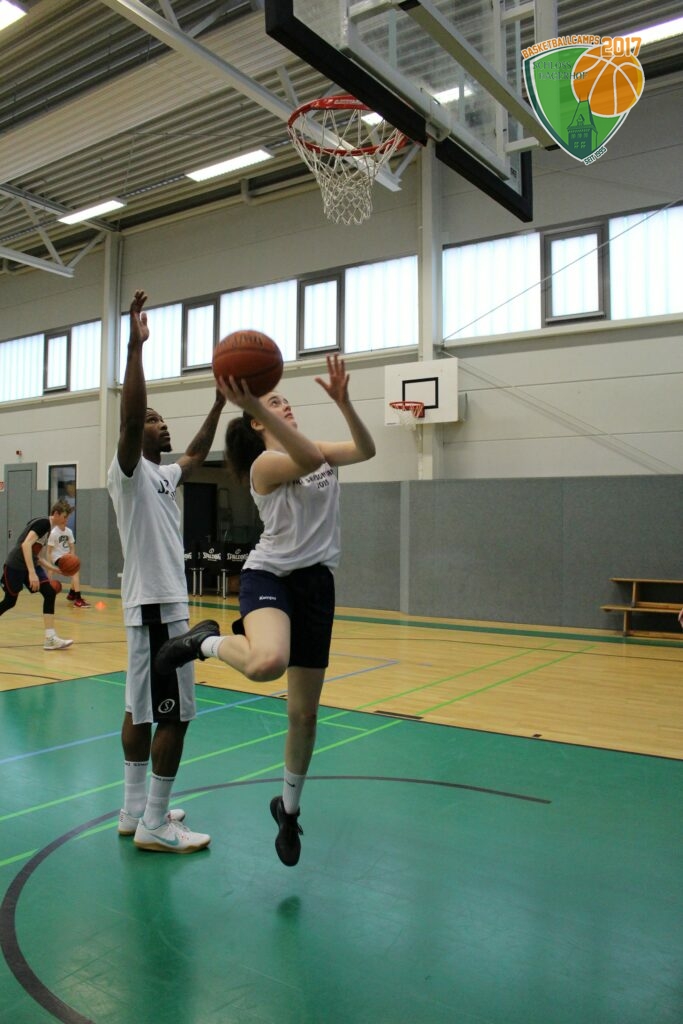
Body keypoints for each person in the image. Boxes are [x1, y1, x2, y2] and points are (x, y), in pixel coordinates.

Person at [155, 353, 376, 866]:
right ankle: (204, 642)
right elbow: (307, 459)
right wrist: (254, 403)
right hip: (270, 576)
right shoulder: (265, 464)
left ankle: (289, 811)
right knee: (266, 662)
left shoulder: (311, 449)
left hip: (316, 584)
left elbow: (365, 449)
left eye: (285, 400)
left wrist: (346, 404)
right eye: (275, 403)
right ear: (257, 422)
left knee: (304, 715)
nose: (286, 405)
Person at [107, 289, 226, 854]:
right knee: (173, 717)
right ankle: (156, 823)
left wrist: (219, 403)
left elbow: (196, 456)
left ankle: (134, 810)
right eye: (152, 420)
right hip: (158, 606)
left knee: (138, 707)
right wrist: (135, 349)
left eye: (161, 418)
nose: (159, 422)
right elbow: (131, 415)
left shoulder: (161, 476)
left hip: (149, 605)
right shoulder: (129, 471)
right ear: (136, 435)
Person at [0, 501, 74, 650]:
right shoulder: (43, 523)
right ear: (56, 514)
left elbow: (37, 557)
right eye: (65, 517)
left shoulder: (48, 529)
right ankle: (50, 638)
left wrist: (56, 569)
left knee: (49, 593)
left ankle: (50, 638)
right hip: (15, 565)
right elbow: (26, 545)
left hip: (30, 565)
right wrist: (32, 573)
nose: (66, 521)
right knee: (9, 602)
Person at [47, 515, 90, 607]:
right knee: (75, 572)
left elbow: (72, 547)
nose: (65, 520)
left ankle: (71, 594)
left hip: (67, 556)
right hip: (57, 558)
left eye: (66, 518)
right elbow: (49, 551)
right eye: (63, 518)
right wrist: (50, 567)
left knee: (75, 569)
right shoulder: (53, 533)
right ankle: (78, 599)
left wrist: (72, 558)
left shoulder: (69, 531)